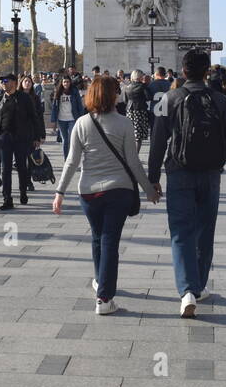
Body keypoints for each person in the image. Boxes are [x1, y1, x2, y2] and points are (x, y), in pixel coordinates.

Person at [148, 48, 226, 318]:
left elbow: (157, 142)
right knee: (204, 231)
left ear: (183, 71)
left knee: (180, 232)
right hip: (211, 174)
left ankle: (187, 291)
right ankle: (199, 286)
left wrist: (153, 178)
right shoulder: (220, 99)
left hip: (179, 172)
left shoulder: (168, 98)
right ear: (207, 71)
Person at [53, 74, 157, 315]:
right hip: (118, 190)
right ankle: (104, 298)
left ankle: (101, 280)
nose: (119, 94)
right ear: (112, 96)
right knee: (110, 240)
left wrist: (60, 192)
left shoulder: (81, 123)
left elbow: (71, 162)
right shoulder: (124, 123)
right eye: (117, 91)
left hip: (88, 192)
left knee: (98, 238)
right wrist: (149, 190)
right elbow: (133, 162)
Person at [0, 75, 42, 212]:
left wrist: (37, 137)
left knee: (22, 167)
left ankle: (23, 192)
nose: (3, 83)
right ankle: (7, 199)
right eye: (1, 81)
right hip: (4, 138)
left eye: (6, 81)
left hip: (22, 137)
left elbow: (34, 117)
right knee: (5, 169)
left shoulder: (25, 98)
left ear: (14, 83)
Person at [20, 75, 46, 190]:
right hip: (19, 131)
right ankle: (24, 180)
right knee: (21, 159)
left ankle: (28, 181)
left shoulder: (35, 98)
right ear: (21, 83)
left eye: (29, 81)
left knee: (31, 158)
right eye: (25, 81)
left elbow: (40, 117)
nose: (27, 83)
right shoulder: (17, 96)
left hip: (32, 132)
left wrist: (41, 134)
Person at [51, 74, 85, 158]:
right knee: (65, 140)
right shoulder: (58, 92)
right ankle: (66, 159)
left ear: (70, 83)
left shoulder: (74, 91)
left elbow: (79, 105)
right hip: (61, 119)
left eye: (67, 82)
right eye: (64, 82)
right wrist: (53, 120)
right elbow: (54, 107)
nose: (66, 83)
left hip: (72, 118)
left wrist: (81, 118)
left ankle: (71, 158)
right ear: (62, 83)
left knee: (70, 139)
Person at [123, 70, 152, 149]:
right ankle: (136, 154)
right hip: (140, 111)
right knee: (139, 136)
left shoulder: (127, 87)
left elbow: (125, 100)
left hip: (130, 111)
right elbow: (149, 97)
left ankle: (129, 152)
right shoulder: (143, 86)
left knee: (130, 133)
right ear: (140, 77)